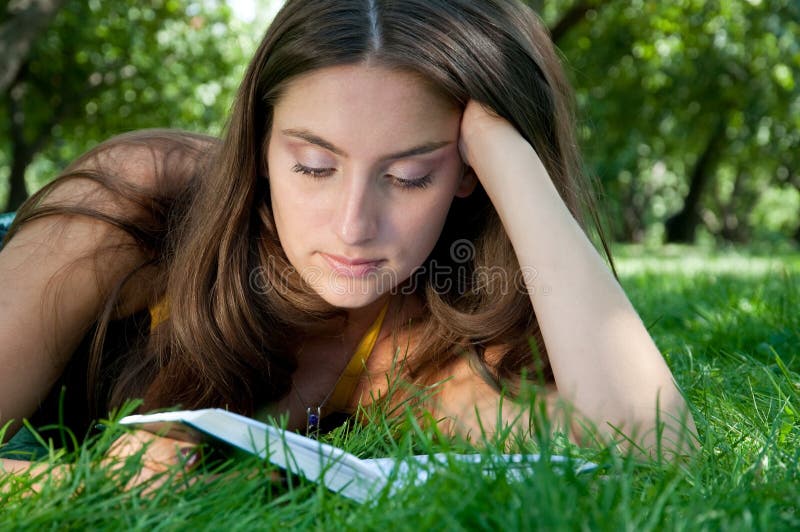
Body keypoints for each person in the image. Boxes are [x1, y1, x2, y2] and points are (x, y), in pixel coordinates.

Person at [0, 0, 695, 482]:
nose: (353, 226)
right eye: (313, 167)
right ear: (261, 144)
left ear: (466, 177)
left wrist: (511, 157)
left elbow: (652, 450)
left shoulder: (427, 349)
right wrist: (75, 483)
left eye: (410, 174)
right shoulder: (141, 200)